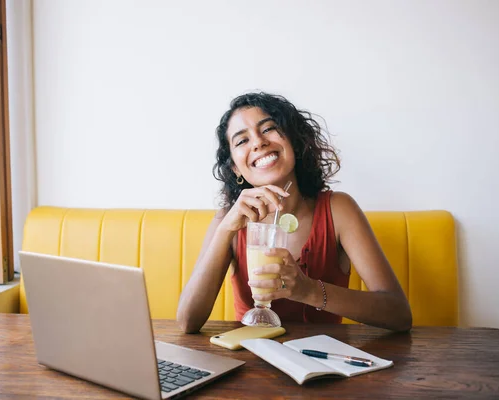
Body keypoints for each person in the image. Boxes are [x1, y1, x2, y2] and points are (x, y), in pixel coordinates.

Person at [176, 92, 412, 333]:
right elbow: (187, 322)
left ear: (294, 141)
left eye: (268, 128)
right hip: (251, 362)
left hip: (323, 363)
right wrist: (225, 229)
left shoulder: (338, 210)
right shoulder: (228, 221)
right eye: (241, 141)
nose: (258, 142)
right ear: (236, 167)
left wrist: (308, 290)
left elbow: (398, 314)